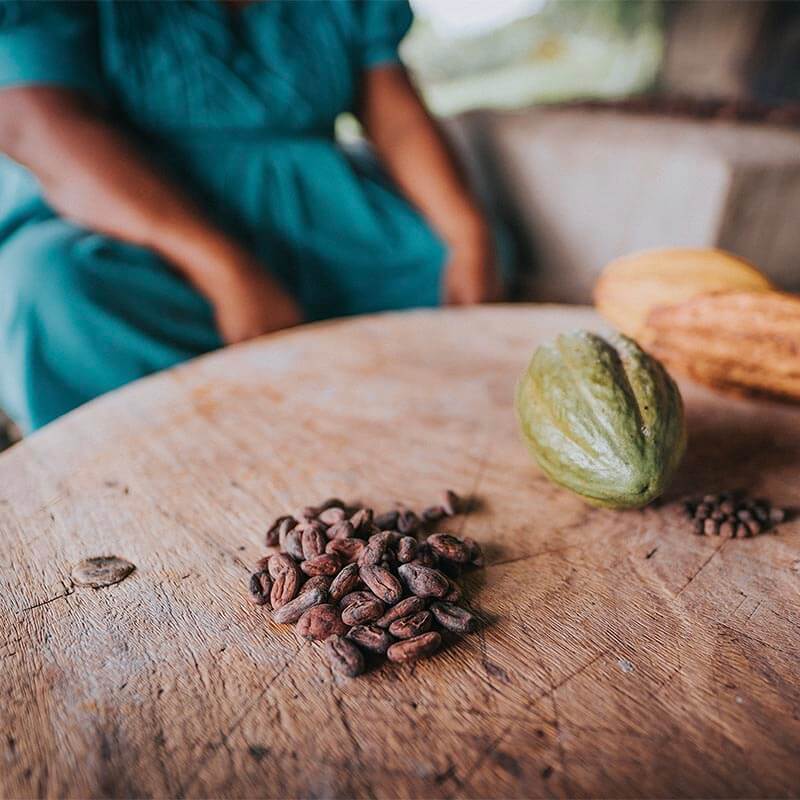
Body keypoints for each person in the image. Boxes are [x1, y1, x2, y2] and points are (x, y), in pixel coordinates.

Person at [0, 0, 502, 432]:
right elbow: (37, 126)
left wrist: (468, 236)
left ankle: (356, 406)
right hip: (140, 218)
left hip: (319, 215)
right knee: (52, 289)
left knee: (452, 254)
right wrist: (224, 268)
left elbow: (395, 118)